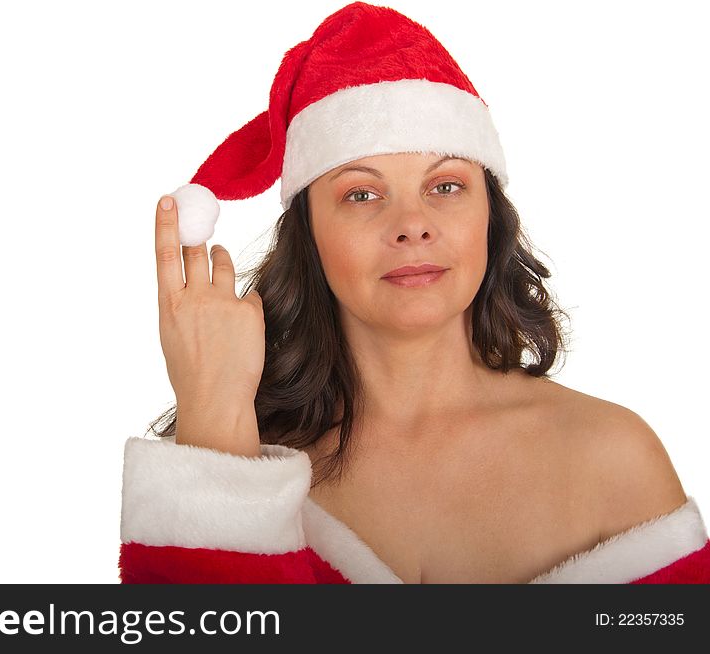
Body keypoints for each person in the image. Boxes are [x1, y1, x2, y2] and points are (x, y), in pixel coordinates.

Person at [119, 1, 710, 583]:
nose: (413, 224)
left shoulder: (618, 458)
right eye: (361, 194)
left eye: (447, 185)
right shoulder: (228, 450)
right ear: (310, 237)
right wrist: (215, 418)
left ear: (489, 218)